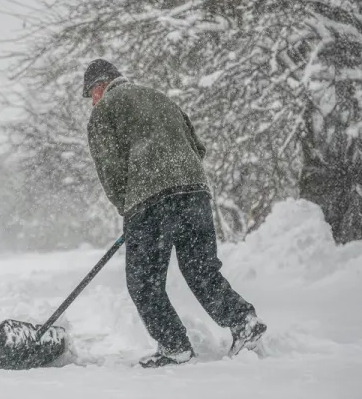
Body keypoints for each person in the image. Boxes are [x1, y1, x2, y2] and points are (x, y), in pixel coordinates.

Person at [82, 58, 266, 368]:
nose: (92, 103)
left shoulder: (105, 111)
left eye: (91, 96)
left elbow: (110, 169)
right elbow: (198, 148)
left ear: (99, 87)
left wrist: (129, 209)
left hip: (150, 199)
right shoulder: (160, 97)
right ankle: (243, 322)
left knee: (144, 282)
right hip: (193, 191)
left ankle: (174, 346)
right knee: (200, 268)